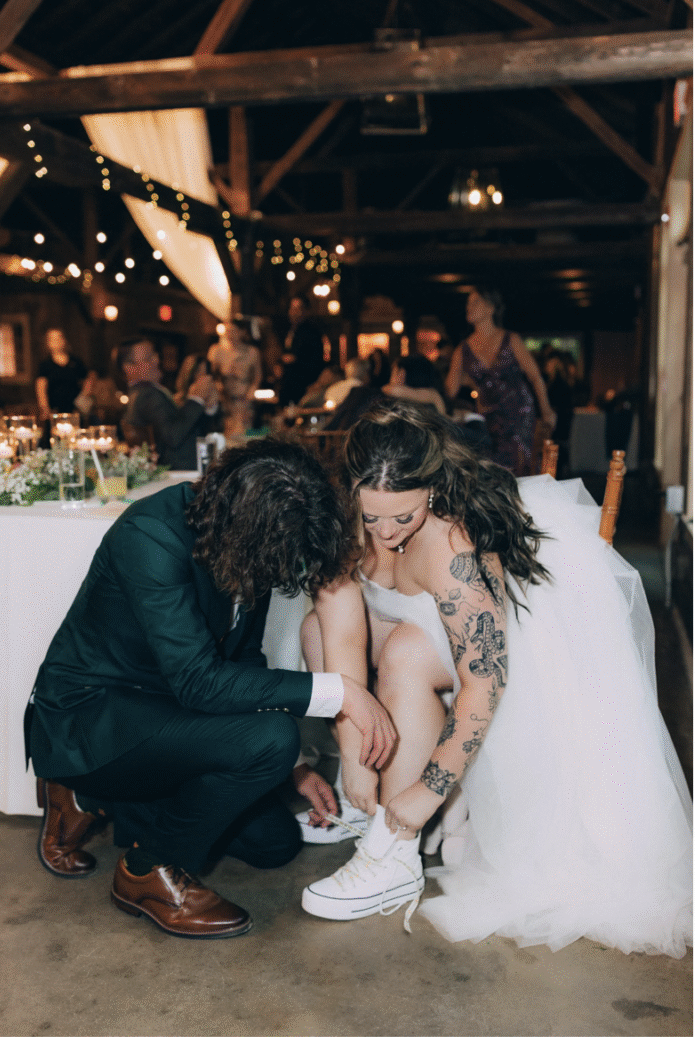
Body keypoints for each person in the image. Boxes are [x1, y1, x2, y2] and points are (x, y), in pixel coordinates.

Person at [300, 400, 692, 957]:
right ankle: (378, 798)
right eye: (371, 517)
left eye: (403, 517)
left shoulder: (452, 546)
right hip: (418, 623)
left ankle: (395, 852)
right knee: (315, 629)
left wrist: (426, 793)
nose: (385, 534)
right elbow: (341, 640)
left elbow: (484, 682)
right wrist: (353, 761)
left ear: (431, 491)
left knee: (406, 654)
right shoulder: (340, 522)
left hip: (508, 650)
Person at [24, 438, 396, 940]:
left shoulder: (248, 526)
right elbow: (201, 682)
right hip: (94, 717)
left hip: (171, 711)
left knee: (275, 843)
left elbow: (241, 658)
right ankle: (144, 870)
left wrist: (296, 769)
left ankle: (96, 799)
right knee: (272, 738)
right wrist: (342, 692)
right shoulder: (149, 536)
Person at [445, 288, 556, 475]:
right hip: (487, 418)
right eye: (468, 303)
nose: (469, 307)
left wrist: (546, 410)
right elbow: (449, 391)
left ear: (491, 308)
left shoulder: (510, 339)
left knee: (522, 466)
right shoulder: (462, 349)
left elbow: (535, 377)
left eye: (475, 302)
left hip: (519, 413)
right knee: (492, 469)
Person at [119, 336, 218, 470]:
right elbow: (173, 435)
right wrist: (196, 399)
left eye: (155, 355)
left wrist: (207, 405)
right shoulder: (147, 394)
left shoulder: (140, 393)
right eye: (148, 358)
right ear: (129, 368)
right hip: (180, 471)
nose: (156, 360)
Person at [35, 328, 94, 444]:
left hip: (75, 410)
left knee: (77, 441)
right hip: (55, 411)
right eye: (52, 339)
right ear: (47, 343)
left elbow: (88, 379)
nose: (56, 341)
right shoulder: (45, 365)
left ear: (64, 340)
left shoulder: (75, 361)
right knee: (55, 441)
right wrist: (45, 409)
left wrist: (83, 399)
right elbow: (41, 388)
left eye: (59, 338)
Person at [207, 318, 263, 438]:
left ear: (242, 332)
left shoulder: (252, 352)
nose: (230, 335)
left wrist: (250, 394)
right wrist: (219, 390)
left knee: (244, 432)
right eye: (227, 331)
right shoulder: (217, 351)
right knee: (226, 432)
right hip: (225, 400)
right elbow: (212, 375)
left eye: (233, 331)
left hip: (244, 399)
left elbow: (258, 377)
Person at [278, 296, 326, 407]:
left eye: (297, 309)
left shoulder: (312, 333)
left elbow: (316, 360)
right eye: (292, 309)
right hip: (287, 385)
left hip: (303, 385)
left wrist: (296, 360)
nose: (293, 313)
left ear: (306, 311)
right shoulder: (289, 330)